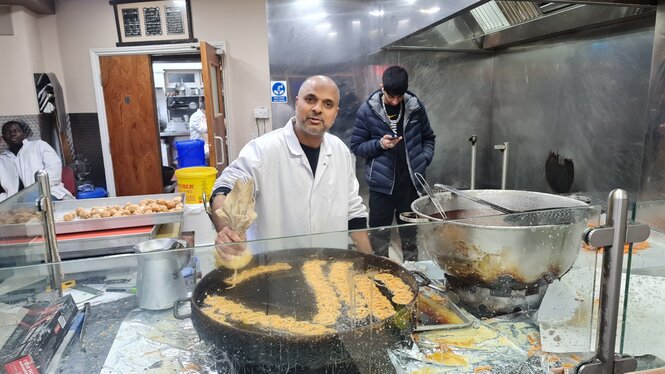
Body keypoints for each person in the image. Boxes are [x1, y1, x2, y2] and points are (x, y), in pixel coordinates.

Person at [210, 75, 371, 259]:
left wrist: (368, 260)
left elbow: (353, 210)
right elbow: (226, 187)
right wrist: (227, 229)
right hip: (276, 270)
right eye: (310, 99)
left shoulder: (340, 151)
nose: (317, 109)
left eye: (328, 104)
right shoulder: (263, 150)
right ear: (297, 102)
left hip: (330, 268)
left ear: (335, 113)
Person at [350, 66, 436, 261]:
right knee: (379, 239)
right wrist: (380, 144)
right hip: (381, 189)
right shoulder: (368, 111)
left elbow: (429, 138)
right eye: (391, 97)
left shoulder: (415, 107)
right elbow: (357, 146)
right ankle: (381, 278)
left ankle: (414, 276)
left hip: (409, 187)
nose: (396, 101)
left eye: (400, 96)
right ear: (382, 88)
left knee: (410, 239)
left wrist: (423, 160)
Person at [0, 120, 74, 202]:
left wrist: (35, 191)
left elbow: (54, 170)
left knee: (31, 203)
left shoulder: (39, 145)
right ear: (3, 138)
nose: (12, 134)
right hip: (14, 200)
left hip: (47, 192)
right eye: (8, 132)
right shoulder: (2, 159)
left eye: (16, 131)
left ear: (24, 134)